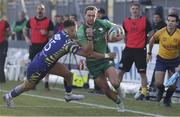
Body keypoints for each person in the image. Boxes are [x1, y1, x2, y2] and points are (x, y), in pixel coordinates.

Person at [3, 19, 116, 107]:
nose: (76, 32)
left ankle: (68, 95)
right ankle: (9, 96)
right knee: (27, 86)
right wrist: (106, 54)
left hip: (45, 61)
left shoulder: (60, 33)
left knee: (68, 75)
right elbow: (88, 53)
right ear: (71, 29)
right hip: (39, 66)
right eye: (75, 30)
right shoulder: (67, 43)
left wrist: (83, 39)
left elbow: (72, 41)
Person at [76, 6, 125, 112]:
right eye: (89, 15)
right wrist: (90, 38)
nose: (91, 18)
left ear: (96, 15)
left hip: (105, 60)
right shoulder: (80, 31)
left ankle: (118, 88)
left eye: (93, 15)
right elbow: (89, 53)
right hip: (93, 63)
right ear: (85, 16)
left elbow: (117, 29)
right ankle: (118, 102)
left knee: (115, 83)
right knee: (105, 89)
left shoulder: (103, 23)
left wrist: (118, 36)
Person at [118, 3, 152, 100]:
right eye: (133, 8)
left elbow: (151, 33)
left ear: (139, 10)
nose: (135, 10)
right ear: (130, 10)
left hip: (140, 50)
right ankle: (116, 89)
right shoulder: (125, 22)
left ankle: (144, 93)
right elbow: (124, 35)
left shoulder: (145, 20)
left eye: (136, 8)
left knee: (142, 73)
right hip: (128, 49)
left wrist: (146, 43)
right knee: (120, 71)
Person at [147, 14, 180, 107]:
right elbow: (151, 40)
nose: (170, 23)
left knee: (173, 86)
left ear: (176, 23)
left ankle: (167, 99)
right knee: (158, 83)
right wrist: (149, 53)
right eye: (169, 20)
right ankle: (161, 91)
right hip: (161, 60)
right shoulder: (161, 32)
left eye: (173, 21)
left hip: (174, 61)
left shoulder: (179, 34)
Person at [23, 4, 54, 90]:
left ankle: (46, 83)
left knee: (46, 64)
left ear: (44, 11)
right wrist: (26, 38)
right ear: (36, 10)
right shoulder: (31, 20)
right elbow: (25, 29)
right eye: (39, 9)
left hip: (44, 46)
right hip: (33, 45)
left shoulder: (48, 21)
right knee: (33, 65)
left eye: (42, 9)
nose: (40, 11)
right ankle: (33, 83)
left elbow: (52, 33)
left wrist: (46, 33)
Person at [0, 16, 11, 83]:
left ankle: (2, 79)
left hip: (3, 44)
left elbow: (9, 33)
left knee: (1, 61)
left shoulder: (5, 22)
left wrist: (5, 33)